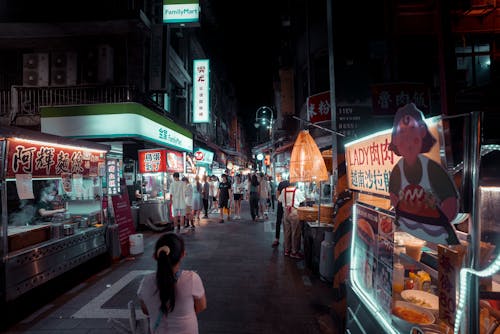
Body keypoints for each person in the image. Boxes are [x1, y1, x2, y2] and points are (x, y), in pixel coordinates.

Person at [388, 103, 460, 245]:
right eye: (402, 132)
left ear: (422, 132)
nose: (407, 138)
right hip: (407, 230)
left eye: (412, 129)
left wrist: (429, 213)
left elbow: (450, 204)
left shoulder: (432, 169)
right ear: (395, 139)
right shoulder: (397, 170)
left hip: (439, 236)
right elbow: (394, 196)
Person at [138, 233, 207, 334]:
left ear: (155, 257)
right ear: (183, 254)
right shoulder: (192, 279)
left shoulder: (146, 282)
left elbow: (145, 310)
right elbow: (201, 306)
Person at [278, 182, 306, 259]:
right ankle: (294, 252)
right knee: (295, 233)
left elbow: (279, 200)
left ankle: (287, 250)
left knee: (287, 232)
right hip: (294, 212)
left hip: (285, 213)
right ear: (296, 183)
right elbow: (303, 200)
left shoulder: (284, 190)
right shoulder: (297, 191)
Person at [272, 177, 290, 247]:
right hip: (289, 205)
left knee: (278, 221)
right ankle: (287, 240)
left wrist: (280, 200)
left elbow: (277, 195)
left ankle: (277, 239)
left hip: (281, 204)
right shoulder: (292, 185)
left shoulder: (281, 184)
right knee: (287, 222)